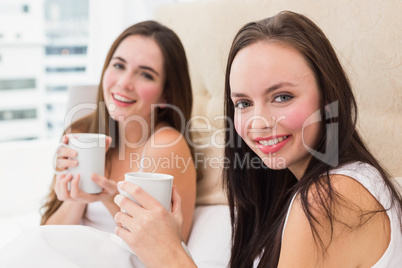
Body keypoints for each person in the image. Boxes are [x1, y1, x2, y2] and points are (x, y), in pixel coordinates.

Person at [113, 11, 402, 267]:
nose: (259, 123)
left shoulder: (330, 198)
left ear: (327, 97)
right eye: (243, 103)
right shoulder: (291, 190)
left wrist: (169, 255)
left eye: (282, 97)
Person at [41, 20, 197, 242]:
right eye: (118, 65)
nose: (124, 83)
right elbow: (47, 238)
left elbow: (169, 250)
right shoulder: (81, 132)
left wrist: (109, 197)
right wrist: (75, 197)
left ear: (166, 96)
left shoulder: (165, 144)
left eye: (145, 74)